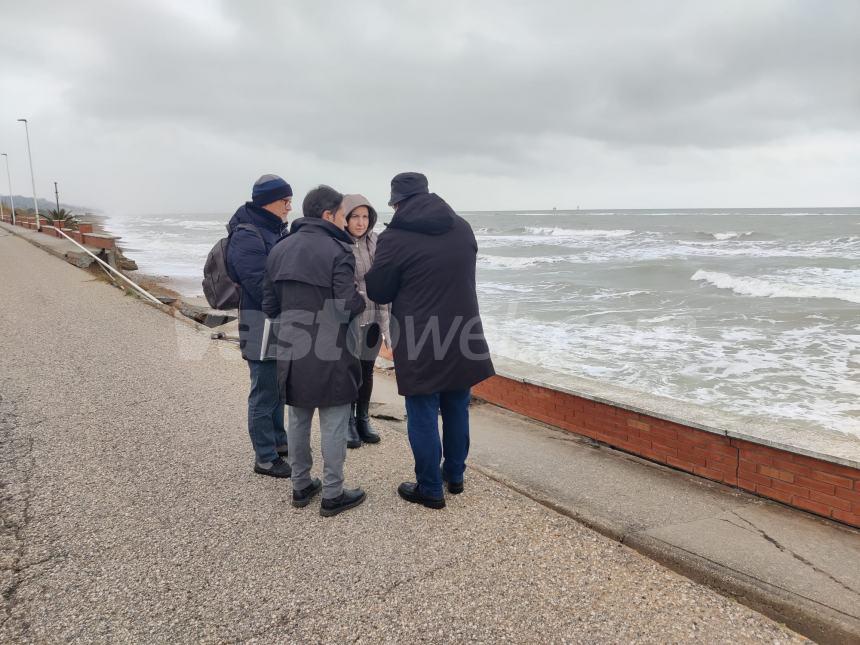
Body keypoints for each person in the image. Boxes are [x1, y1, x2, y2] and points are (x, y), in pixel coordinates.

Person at [365, 172, 495, 509]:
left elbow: (379, 290)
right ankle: (454, 476)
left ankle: (430, 488)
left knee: (422, 410)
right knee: (456, 407)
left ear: (396, 202)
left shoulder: (394, 237)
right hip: (463, 331)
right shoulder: (462, 227)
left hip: (421, 336)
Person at [262, 185, 367, 516]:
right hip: (330, 347)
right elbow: (345, 307)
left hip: (292, 346)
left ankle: (300, 484)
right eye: (341, 213)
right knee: (334, 421)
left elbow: (269, 305)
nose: (344, 219)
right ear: (328, 215)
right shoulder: (339, 251)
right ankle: (333, 494)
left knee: (298, 418)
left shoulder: (279, 249)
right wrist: (360, 299)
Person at [226, 174, 292, 479]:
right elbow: (257, 283)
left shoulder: (273, 230)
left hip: (276, 321)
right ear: (269, 201)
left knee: (277, 386)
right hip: (259, 322)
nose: (289, 207)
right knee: (264, 388)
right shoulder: (247, 234)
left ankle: (278, 441)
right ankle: (264, 457)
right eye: (285, 201)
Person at [342, 194, 390, 449]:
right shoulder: (339, 242)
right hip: (350, 318)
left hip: (374, 316)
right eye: (355, 217)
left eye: (365, 217)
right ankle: (348, 420)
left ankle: (363, 418)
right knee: (351, 370)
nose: (360, 222)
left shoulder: (377, 241)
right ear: (346, 218)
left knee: (367, 370)